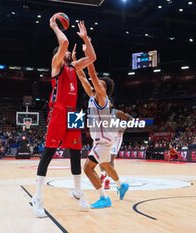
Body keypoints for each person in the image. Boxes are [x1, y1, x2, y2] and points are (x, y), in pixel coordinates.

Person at [31, 18, 97, 218]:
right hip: (59, 110)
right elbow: (65, 43)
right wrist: (54, 26)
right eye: (65, 53)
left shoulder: (73, 67)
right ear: (59, 56)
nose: (69, 52)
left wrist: (86, 39)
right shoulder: (56, 66)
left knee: (76, 152)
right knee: (49, 153)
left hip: (74, 111)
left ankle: (78, 191)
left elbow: (92, 57)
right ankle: (38, 197)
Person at [75, 41, 129, 209]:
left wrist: (89, 54)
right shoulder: (92, 97)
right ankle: (121, 185)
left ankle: (103, 197)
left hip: (103, 140)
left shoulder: (102, 98)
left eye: (101, 85)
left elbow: (91, 75)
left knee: (88, 168)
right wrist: (77, 61)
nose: (98, 85)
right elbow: (82, 76)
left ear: (104, 90)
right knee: (105, 165)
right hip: (100, 140)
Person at [99, 107, 132, 190]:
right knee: (100, 158)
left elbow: (129, 118)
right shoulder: (101, 113)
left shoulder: (117, 113)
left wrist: (123, 127)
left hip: (116, 138)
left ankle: (107, 181)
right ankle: (103, 174)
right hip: (107, 137)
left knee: (110, 160)